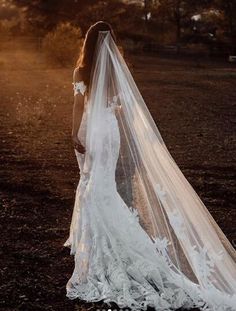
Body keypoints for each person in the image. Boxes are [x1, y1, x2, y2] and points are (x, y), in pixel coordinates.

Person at [64, 21, 236, 311]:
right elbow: (121, 106)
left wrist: (72, 132)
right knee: (100, 183)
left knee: (93, 183)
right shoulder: (118, 72)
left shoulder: (81, 71)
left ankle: (100, 240)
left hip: (94, 130)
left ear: (88, 43)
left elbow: (79, 106)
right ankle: (99, 235)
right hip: (110, 131)